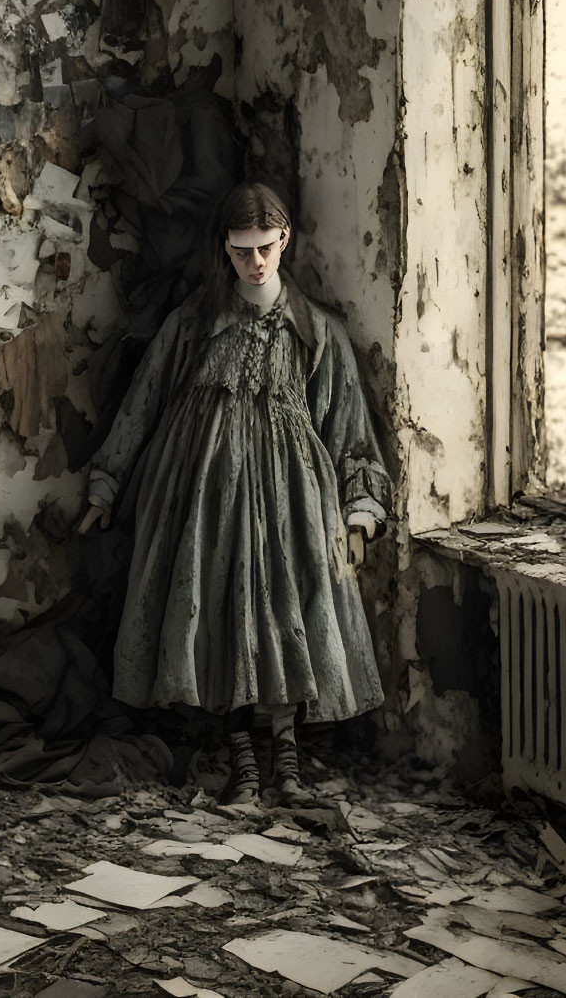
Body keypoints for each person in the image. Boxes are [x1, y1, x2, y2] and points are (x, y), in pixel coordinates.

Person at [79, 180, 390, 803]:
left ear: (286, 241)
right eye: (244, 249)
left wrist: (360, 514)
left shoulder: (317, 334)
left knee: (283, 615)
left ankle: (288, 759)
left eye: (267, 248)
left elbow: (351, 430)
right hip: (204, 497)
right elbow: (142, 404)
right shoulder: (192, 326)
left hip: (290, 504)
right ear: (225, 247)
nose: (257, 262)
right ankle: (242, 753)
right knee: (218, 612)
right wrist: (106, 485)